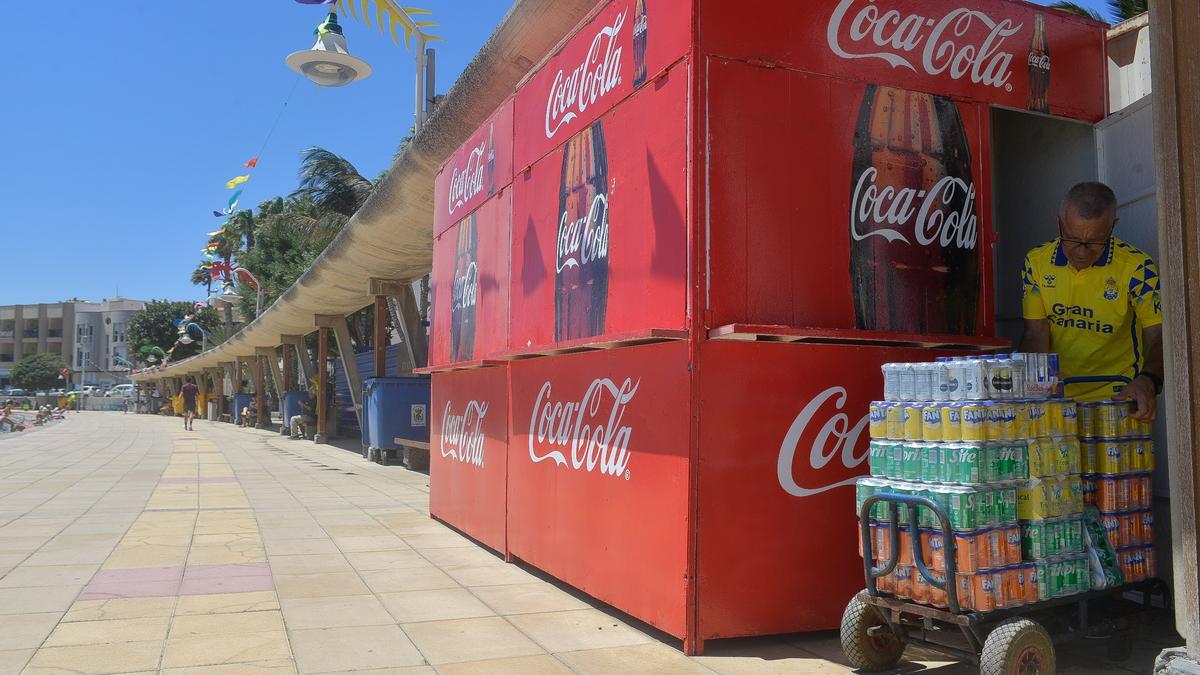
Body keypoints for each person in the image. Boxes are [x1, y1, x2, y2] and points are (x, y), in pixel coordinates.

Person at [1021, 182, 1163, 420]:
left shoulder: (1138, 267)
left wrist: (1149, 382)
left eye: (1096, 242)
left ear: (1112, 228)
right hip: (1058, 398)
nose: (1082, 252)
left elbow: (1160, 336)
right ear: (1058, 224)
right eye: (1073, 239)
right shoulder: (1036, 262)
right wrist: (1027, 387)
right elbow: (1036, 334)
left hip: (1119, 398)